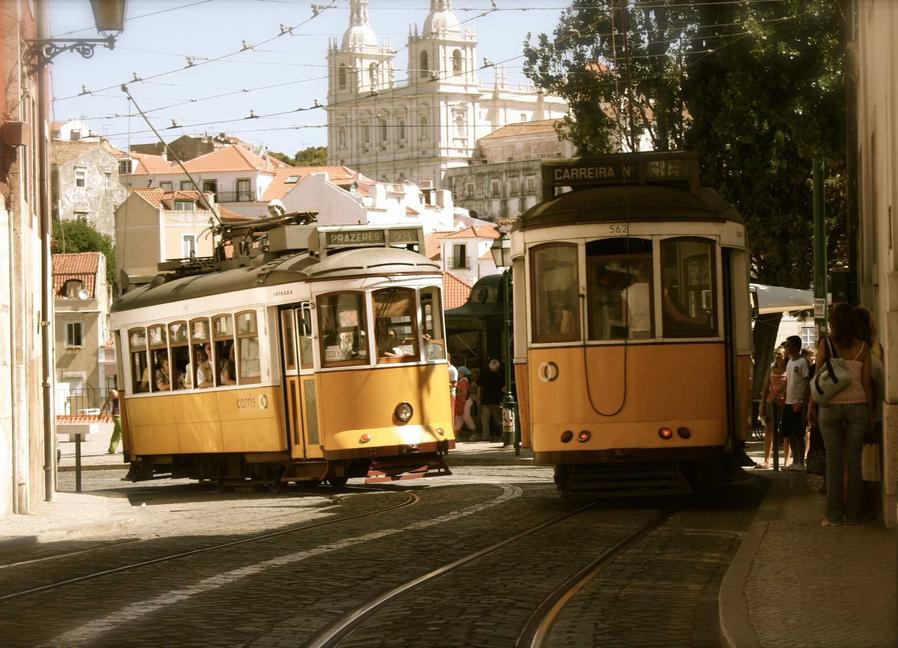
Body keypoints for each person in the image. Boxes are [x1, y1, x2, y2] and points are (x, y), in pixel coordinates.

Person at [807, 303, 873, 526]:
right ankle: (854, 514)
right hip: (858, 407)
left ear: (833, 322)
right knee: (854, 462)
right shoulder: (863, 347)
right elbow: (866, 384)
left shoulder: (826, 344)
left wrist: (811, 407)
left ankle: (834, 516)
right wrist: (869, 413)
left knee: (834, 462)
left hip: (830, 407)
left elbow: (817, 380)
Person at [780, 335, 810, 469]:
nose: (786, 348)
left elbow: (807, 382)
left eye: (788, 345)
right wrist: (781, 393)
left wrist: (804, 401)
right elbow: (788, 381)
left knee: (798, 433)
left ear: (795, 346)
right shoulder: (790, 362)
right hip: (789, 401)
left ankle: (801, 462)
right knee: (789, 433)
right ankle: (795, 461)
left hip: (798, 401)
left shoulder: (803, 362)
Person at [758, 347, 788, 469]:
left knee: (786, 432)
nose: (777, 356)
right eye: (775, 353)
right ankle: (767, 460)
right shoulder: (771, 369)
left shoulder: (789, 368)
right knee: (768, 430)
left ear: (785, 355)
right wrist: (762, 406)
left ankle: (786, 461)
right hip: (771, 402)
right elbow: (765, 388)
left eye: (779, 354)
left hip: (785, 403)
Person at [479, 358, 503, 442]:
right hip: (496, 401)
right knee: (498, 419)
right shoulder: (500, 375)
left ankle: (485, 436)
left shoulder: (484, 374)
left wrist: (479, 399)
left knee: (485, 420)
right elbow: (504, 388)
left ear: (489, 365)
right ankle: (503, 434)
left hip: (485, 400)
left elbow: (479, 387)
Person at [100, 387, 121, 454]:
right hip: (116, 415)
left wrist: (101, 412)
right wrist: (101, 412)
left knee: (116, 433)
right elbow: (107, 402)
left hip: (118, 414)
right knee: (122, 431)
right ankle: (130, 448)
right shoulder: (114, 392)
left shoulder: (116, 392)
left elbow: (106, 402)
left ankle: (112, 449)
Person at [455, 366, 472, 438]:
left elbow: (464, 393)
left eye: (458, 372)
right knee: (460, 418)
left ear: (462, 373)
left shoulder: (463, 381)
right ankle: (456, 436)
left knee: (465, 417)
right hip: (464, 401)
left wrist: (456, 395)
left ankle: (475, 433)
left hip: (464, 402)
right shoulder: (464, 381)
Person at [447, 354, 458, 429]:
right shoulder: (444, 369)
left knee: (451, 414)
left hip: (450, 394)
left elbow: (454, 384)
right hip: (444, 395)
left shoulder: (452, 369)